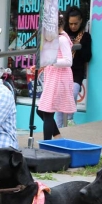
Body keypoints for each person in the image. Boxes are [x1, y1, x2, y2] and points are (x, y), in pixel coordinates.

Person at [36, 12, 75, 141]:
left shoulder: (62, 39)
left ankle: (47, 144)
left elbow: (68, 61)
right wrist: (43, 65)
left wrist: (50, 62)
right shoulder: (55, 39)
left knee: (47, 112)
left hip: (59, 78)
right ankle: (57, 137)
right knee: (41, 111)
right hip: (53, 77)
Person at [60, 6, 92, 127]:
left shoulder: (85, 36)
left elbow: (88, 57)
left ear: (81, 21)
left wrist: (79, 48)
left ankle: (69, 118)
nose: (73, 26)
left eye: (76, 24)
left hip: (76, 72)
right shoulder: (64, 35)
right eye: (71, 23)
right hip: (63, 71)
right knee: (60, 101)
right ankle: (59, 128)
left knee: (72, 93)